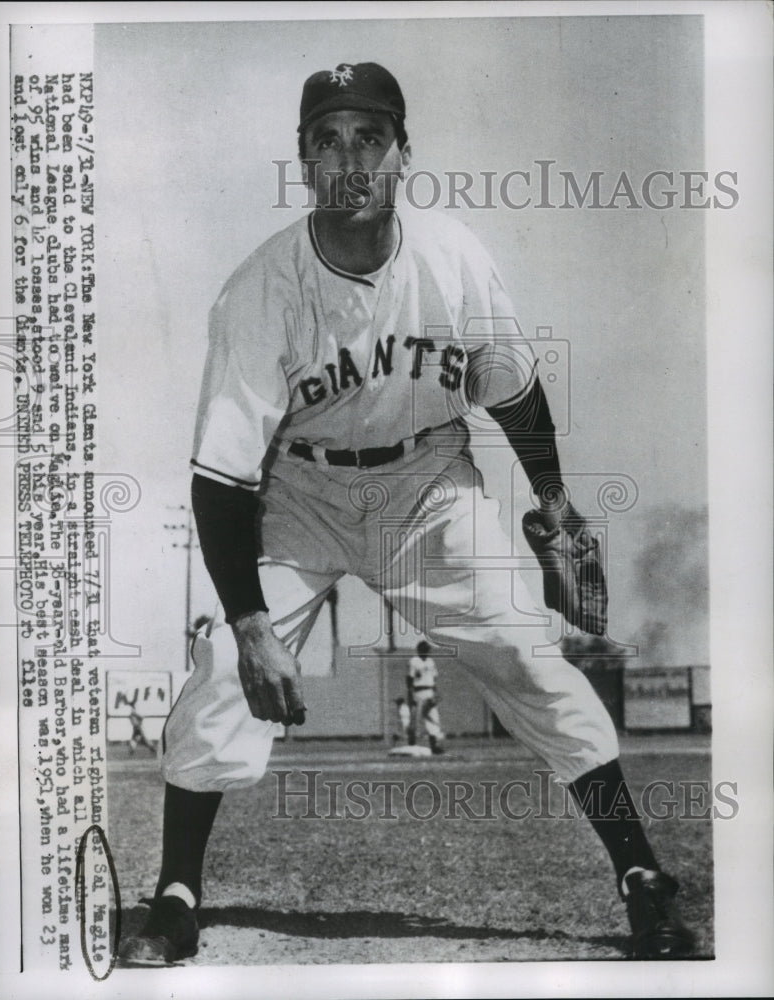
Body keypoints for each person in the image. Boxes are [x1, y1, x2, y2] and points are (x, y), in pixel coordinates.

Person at [120, 62, 694, 965]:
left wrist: (558, 512)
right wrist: (251, 624)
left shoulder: (453, 258)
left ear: (402, 155)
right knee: (225, 669)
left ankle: (641, 878)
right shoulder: (259, 291)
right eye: (327, 140)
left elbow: (512, 389)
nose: (349, 158)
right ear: (303, 163)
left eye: (369, 137)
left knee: (526, 653)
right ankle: (177, 895)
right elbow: (223, 479)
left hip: (426, 485)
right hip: (298, 494)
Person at [407, 641, 445, 754]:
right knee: (414, 718)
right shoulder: (414, 661)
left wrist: (436, 692)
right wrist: (410, 694)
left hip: (429, 691)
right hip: (418, 691)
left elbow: (434, 679)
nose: (427, 652)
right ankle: (412, 744)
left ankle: (434, 745)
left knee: (433, 718)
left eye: (427, 650)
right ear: (419, 650)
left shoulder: (430, 662)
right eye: (425, 649)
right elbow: (409, 678)